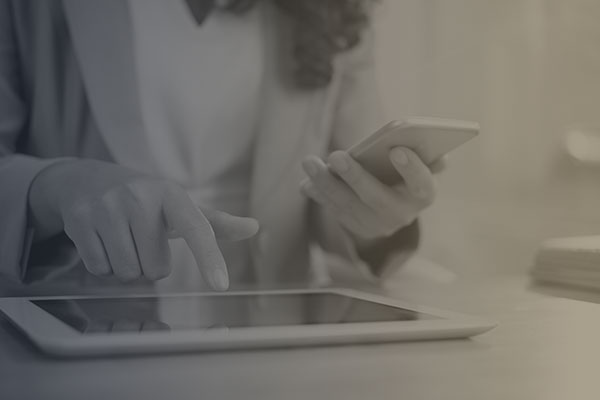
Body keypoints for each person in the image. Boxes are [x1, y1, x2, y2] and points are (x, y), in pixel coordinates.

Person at [0, 0, 437, 294]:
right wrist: (54, 185)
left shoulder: (336, 10)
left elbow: (337, 185)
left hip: (274, 349)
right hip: (79, 338)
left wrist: (372, 219)